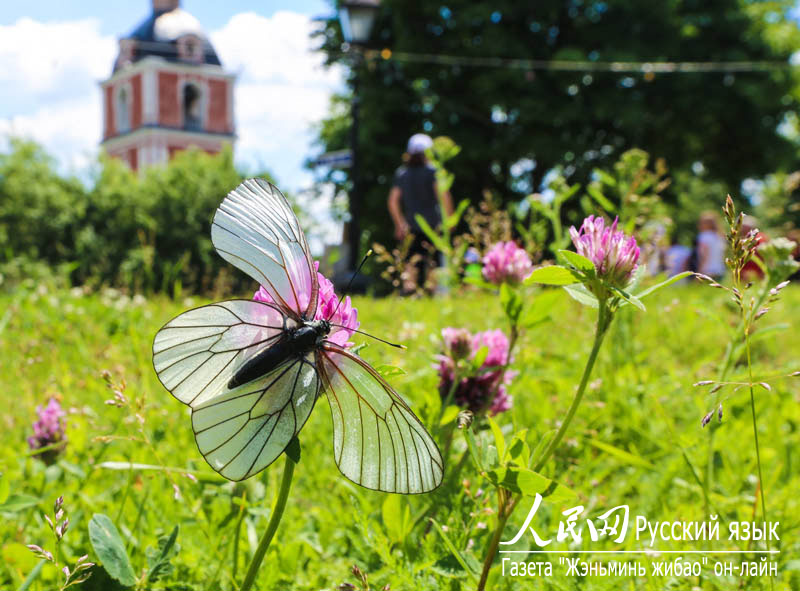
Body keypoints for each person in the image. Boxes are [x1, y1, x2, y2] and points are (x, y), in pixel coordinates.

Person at [387, 133, 454, 291]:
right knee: (433, 264)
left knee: (410, 264)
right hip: (432, 226)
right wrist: (449, 220)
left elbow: (392, 200)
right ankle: (430, 294)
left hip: (410, 226)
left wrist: (399, 224)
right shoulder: (433, 172)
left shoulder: (402, 174)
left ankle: (410, 294)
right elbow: (444, 196)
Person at [694, 212, 727, 279]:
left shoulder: (704, 236)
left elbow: (704, 255)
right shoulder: (720, 236)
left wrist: (699, 272)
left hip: (707, 271)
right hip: (720, 270)